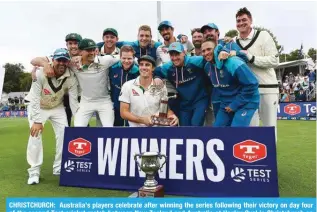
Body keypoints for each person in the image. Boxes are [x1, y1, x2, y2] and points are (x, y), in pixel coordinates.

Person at [25, 48, 79, 185]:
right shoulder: (40, 73)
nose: (62, 63)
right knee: (35, 135)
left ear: (68, 62)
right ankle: (34, 171)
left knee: (64, 134)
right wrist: (37, 121)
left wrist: (78, 121)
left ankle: (59, 167)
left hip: (57, 107)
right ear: (52, 60)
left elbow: (73, 102)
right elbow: (36, 99)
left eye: (64, 60)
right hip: (37, 106)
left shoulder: (71, 77)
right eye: (59, 60)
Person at [43, 38, 120, 127]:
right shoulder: (72, 63)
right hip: (86, 102)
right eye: (88, 50)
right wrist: (45, 65)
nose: (91, 53)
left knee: (108, 130)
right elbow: (40, 60)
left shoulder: (105, 60)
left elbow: (127, 58)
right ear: (80, 52)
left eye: (93, 49)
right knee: (79, 129)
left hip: (104, 101)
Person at [234, 7, 279, 138]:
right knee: (250, 130)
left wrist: (252, 58)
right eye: (238, 21)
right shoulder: (233, 41)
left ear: (251, 20)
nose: (241, 23)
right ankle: (253, 159)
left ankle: (271, 158)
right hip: (247, 92)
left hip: (267, 89)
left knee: (269, 128)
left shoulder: (263, 35)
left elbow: (274, 60)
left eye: (244, 20)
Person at [201, 40, 259, 126]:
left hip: (246, 102)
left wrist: (235, 104)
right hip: (226, 103)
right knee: (217, 132)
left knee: (236, 133)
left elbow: (252, 84)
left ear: (216, 49)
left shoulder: (233, 62)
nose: (206, 53)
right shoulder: (207, 67)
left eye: (209, 49)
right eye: (203, 51)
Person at [31, 33, 82, 127]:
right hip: (66, 94)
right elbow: (33, 61)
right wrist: (45, 65)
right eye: (70, 43)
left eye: (76, 43)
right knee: (65, 127)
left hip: (83, 95)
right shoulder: (61, 55)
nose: (73, 46)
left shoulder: (86, 55)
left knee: (82, 123)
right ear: (66, 45)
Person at [154, 42, 210, 126]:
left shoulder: (195, 61)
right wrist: (157, 77)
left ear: (184, 53)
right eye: (172, 55)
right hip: (184, 103)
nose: (174, 58)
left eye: (177, 54)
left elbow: (210, 59)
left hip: (199, 100)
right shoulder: (168, 67)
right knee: (184, 129)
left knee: (196, 124)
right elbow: (157, 71)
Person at [119, 55, 178, 127]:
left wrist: (171, 115)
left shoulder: (160, 87)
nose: (143, 67)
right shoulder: (127, 86)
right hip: (135, 132)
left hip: (156, 131)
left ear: (153, 68)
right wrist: (143, 120)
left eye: (147, 65)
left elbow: (165, 108)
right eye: (141, 65)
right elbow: (123, 113)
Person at [109, 45, 139, 126]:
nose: (126, 61)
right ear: (120, 57)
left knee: (131, 133)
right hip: (116, 106)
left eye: (129, 58)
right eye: (124, 58)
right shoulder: (113, 68)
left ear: (133, 58)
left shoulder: (138, 72)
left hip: (132, 108)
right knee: (116, 132)